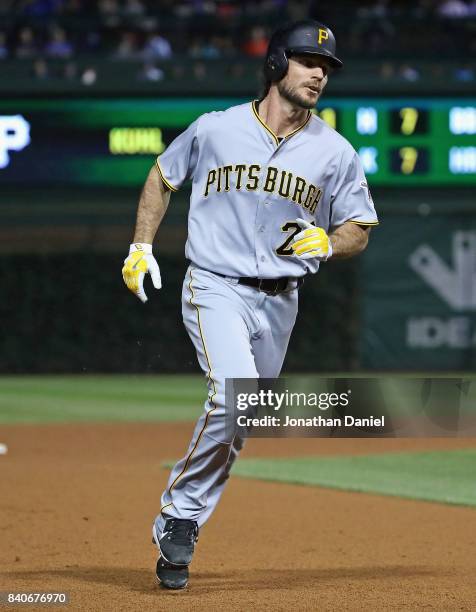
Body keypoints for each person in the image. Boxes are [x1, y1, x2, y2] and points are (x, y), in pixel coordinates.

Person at [122, 19, 378, 590]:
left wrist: (331, 243)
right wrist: (141, 245)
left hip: (280, 301)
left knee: (245, 415)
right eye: (309, 60)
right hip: (214, 283)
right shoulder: (216, 129)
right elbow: (163, 176)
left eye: (327, 67)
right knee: (234, 392)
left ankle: (178, 522)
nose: (319, 73)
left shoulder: (334, 152)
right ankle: (180, 517)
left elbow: (359, 227)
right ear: (275, 63)